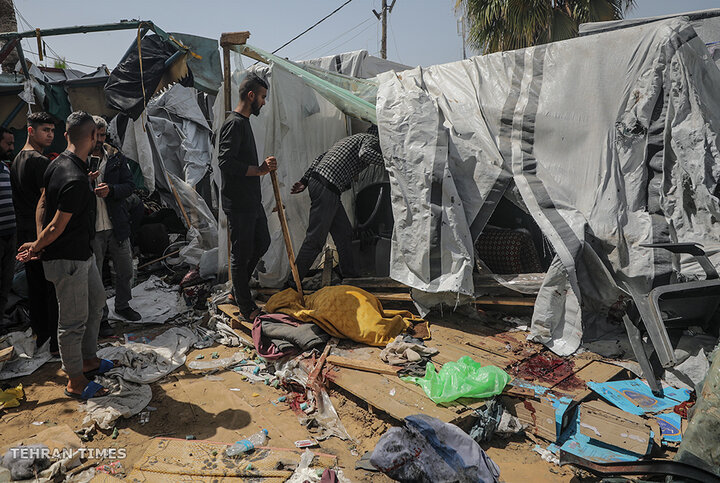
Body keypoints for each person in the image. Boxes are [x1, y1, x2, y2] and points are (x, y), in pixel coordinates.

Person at [18, 111, 111, 400]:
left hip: (82, 255)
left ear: (67, 134)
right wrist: (38, 245)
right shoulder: (73, 176)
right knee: (72, 322)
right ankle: (75, 381)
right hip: (68, 259)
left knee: (96, 304)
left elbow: (42, 203)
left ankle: (88, 359)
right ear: (94, 137)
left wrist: (38, 239)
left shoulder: (60, 164)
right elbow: (57, 223)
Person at [218, 73, 277, 321]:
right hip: (239, 203)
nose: (264, 102)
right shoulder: (234, 124)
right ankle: (245, 305)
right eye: (262, 97)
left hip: (251, 201)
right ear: (251, 95)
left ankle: (238, 288)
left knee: (262, 242)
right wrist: (260, 170)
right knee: (240, 255)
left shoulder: (245, 123)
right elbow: (225, 162)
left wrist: (260, 171)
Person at [290, 127, 384, 282]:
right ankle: (292, 282)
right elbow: (365, 153)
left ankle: (349, 275)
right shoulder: (371, 140)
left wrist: (304, 180)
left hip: (321, 184)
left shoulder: (351, 139)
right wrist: (389, 161)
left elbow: (320, 158)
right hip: (327, 187)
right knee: (315, 240)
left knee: (344, 233)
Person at [10, 112, 59, 354]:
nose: (50, 134)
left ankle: (42, 337)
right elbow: (45, 202)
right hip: (38, 236)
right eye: (45, 130)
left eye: (52, 130)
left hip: (25, 234)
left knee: (37, 288)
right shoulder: (39, 161)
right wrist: (44, 239)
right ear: (31, 130)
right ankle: (57, 345)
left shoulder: (18, 158)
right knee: (51, 289)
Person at [90, 115, 140, 331]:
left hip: (116, 223)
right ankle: (101, 317)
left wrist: (111, 190)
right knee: (96, 275)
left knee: (125, 269)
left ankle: (122, 304)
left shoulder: (115, 157)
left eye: (102, 135)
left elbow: (130, 186)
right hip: (92, 227)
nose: (100, 139)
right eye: (96, 135)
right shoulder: (78, 158)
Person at [0, 127, 16, 324]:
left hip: (10, 234)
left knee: (5, 282)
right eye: (8, 143)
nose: (11, 147)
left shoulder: (5, 168)